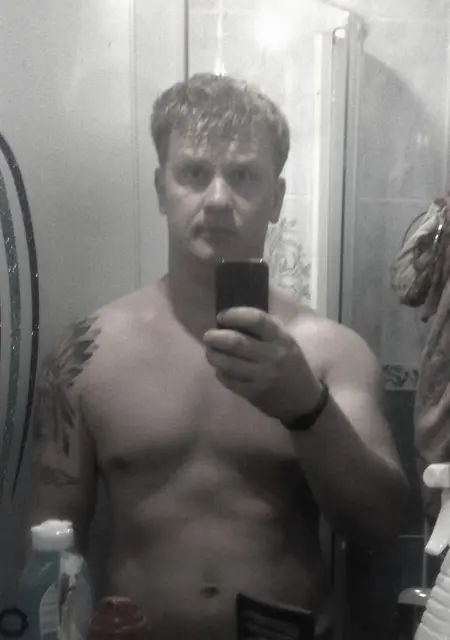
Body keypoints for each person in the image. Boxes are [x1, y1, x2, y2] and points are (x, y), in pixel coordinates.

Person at [26, 73, 409, 639]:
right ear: (161, 189)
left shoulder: (331, 351)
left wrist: (306, 408)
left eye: (244, 175)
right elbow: (51, 545)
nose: (219, 199)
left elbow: (383, 527)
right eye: (195, 173)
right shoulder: (87, 353)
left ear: (276, 199)